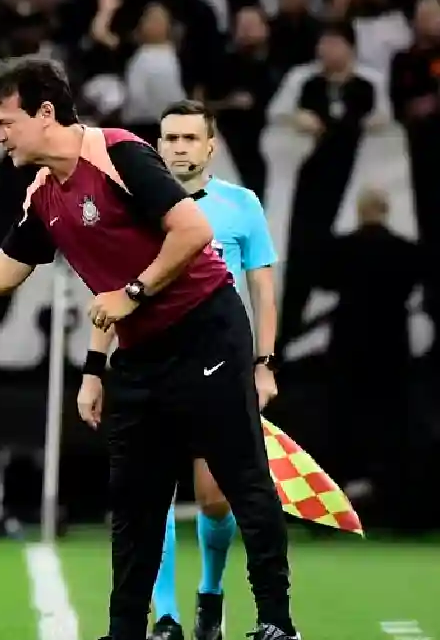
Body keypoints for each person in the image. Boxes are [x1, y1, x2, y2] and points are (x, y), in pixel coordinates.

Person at [0, 56, 298, 640]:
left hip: (206, 331)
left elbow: (193, 231)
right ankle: (125, 632)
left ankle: (276, 624)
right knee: (134, 503)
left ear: (44, 113)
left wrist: (131, 292)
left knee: (242, 481)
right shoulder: (43, 192)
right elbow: (3, 271)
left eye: (5, 122)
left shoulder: (120, 154)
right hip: (140, 353)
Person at [80, 100, 281, 640]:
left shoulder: (240, 206)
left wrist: (263, 363)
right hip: (149, 364)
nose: (179, 147)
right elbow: (112, 291)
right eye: (170, 138)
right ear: (157, 144)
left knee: (218, 494)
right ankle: (164, 617)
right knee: (151, 494)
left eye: (191, 138)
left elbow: (261, 288)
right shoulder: (135, 202)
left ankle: (210, 596)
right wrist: (94, 368)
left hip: (215, 362)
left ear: (210, 146)